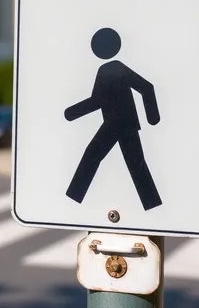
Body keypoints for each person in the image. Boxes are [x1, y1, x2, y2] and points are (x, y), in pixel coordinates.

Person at [64, 28, 163, 211]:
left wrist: (153, 118)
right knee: (134, 163)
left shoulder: (112, 69)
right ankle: (152, 203)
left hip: (117, 124)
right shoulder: (112, 69)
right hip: (121, 124)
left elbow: (146, 88)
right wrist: (72, 113)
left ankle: (73, 197)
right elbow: (100, 101)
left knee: (94, 156)